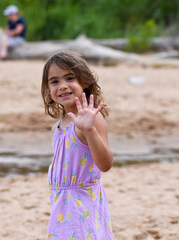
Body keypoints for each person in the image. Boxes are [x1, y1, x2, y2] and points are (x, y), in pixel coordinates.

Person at [41, 50, 113, 239]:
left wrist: (89, 130)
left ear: (84, 81)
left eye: (70, 78)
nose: (62, 86)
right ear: (48, 89)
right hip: (61, 205)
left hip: (83, 206)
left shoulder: (91, 121)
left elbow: (105, 164)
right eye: (54, 81)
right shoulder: (57, 127)